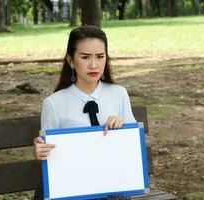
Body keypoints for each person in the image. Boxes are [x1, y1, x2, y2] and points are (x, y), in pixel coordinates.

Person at [33, 25, 136, 200]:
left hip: (111, 184)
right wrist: (42, 151)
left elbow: (133, 150)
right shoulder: (53, 104)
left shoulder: (119, 94)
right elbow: (50, 161)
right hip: (68, 186)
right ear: (71, 60)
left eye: (100, 57)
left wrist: (122, 129)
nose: (94, 64)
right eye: (85, 57)